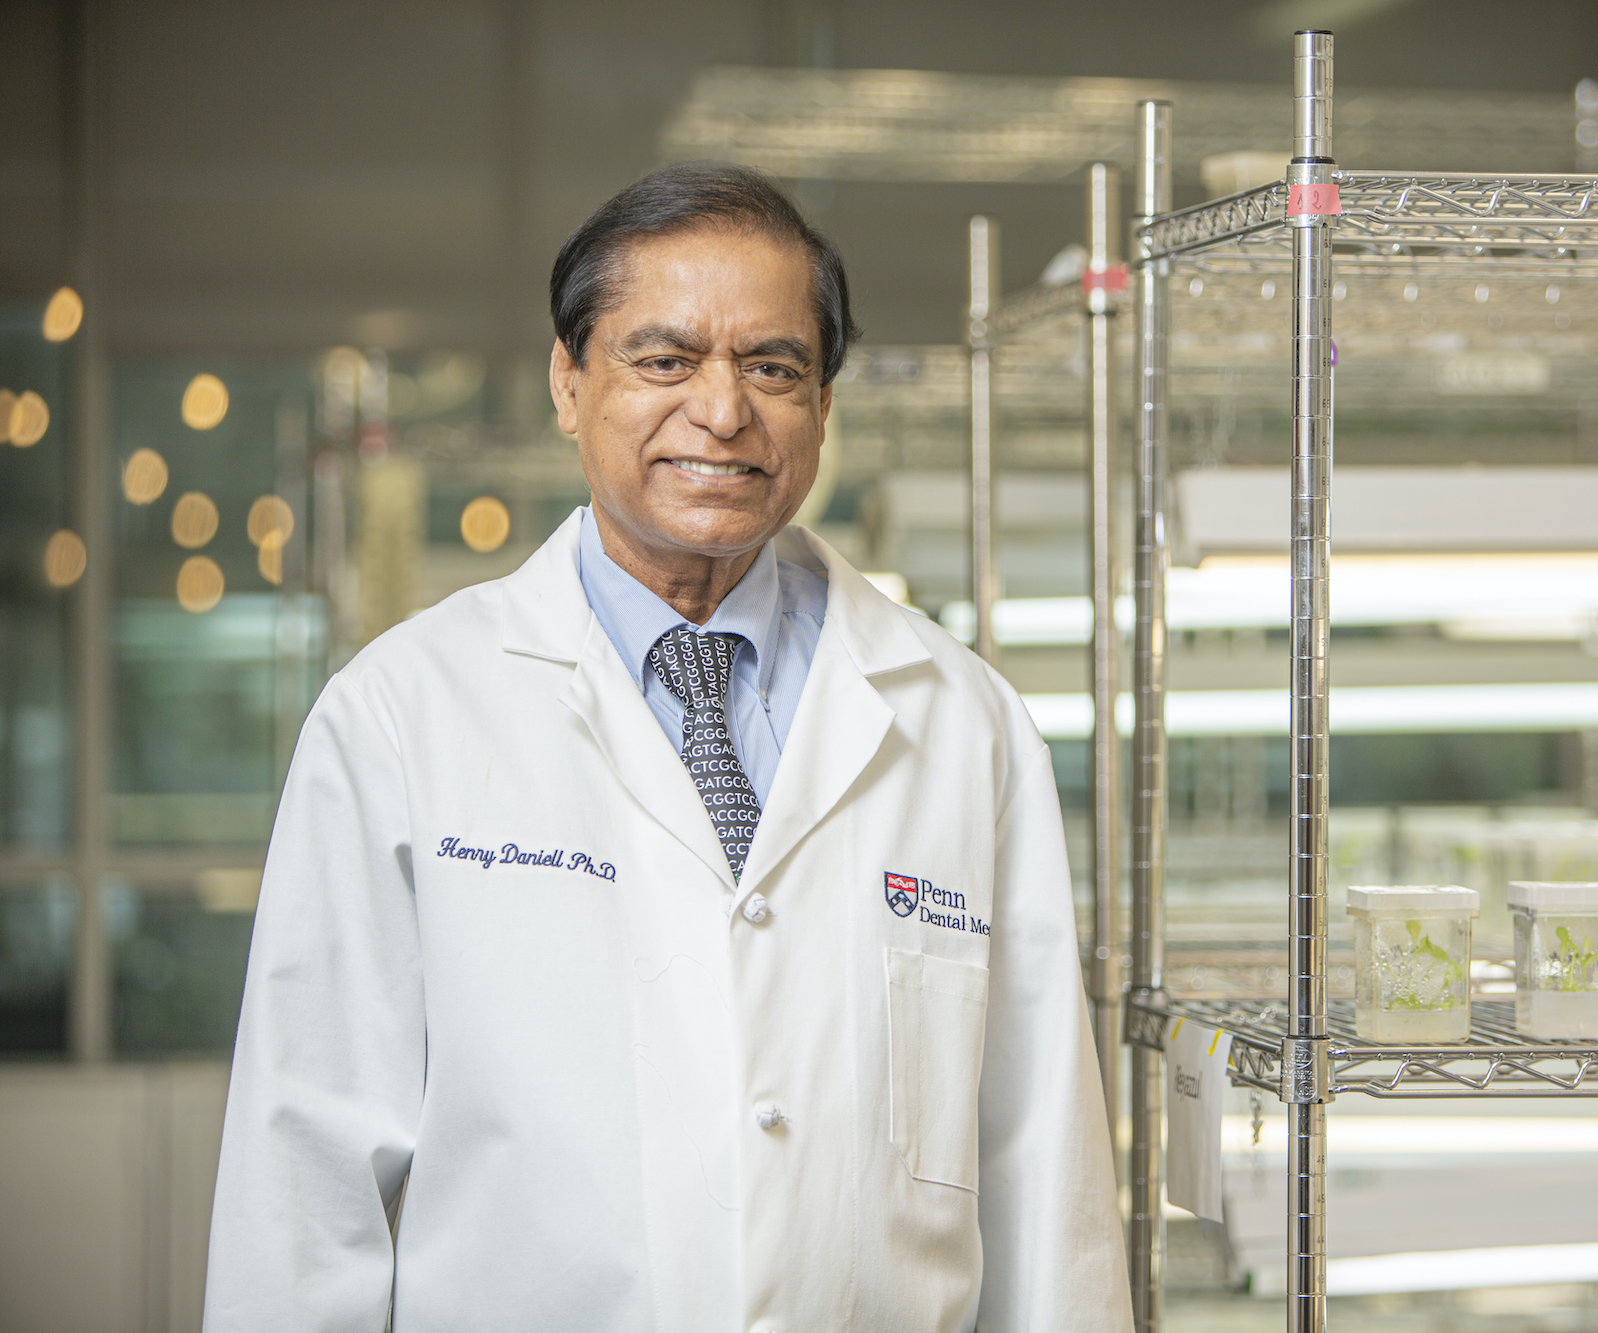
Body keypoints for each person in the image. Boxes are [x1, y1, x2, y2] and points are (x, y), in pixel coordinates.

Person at [203, 164, 1132, 1332]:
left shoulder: (962, 721)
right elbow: (302, 1184)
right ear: (568, 379)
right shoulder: (401, 714)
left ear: (823, 406)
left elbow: (1043, 1173)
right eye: (663, 359)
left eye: (774, 367)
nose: (723, 410)